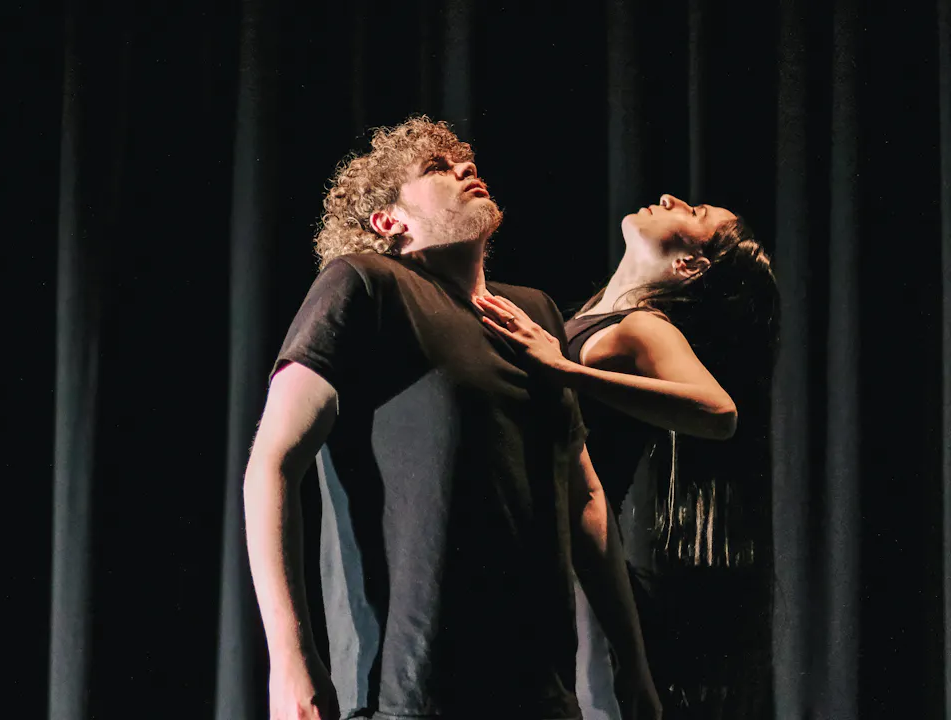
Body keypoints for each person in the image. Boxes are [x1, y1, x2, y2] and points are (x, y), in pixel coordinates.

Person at [242, 116, 664, 720]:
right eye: (436, 168)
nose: (466, 167)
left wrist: (634, 662)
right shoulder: (366, 285)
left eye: (464, 160)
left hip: (541, 693)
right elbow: (273, 462)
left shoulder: (533, 313)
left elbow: (584, 495)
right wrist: (290, 659)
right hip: (409, 692)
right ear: (389, 221)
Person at [473, 194, 780, 719]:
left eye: (695, 214)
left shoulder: (643, 327)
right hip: (544, 553)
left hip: (580, 565)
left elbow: (719, 413)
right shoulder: (589, 318)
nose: (670, 199)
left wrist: (564, 369)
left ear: (690, 265)